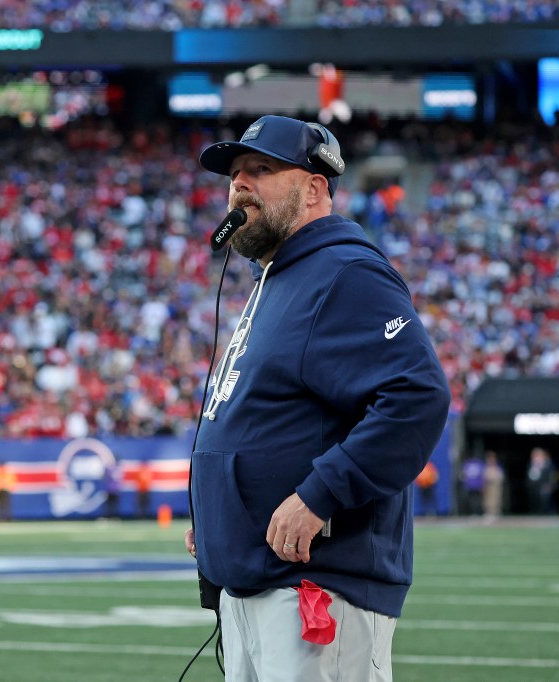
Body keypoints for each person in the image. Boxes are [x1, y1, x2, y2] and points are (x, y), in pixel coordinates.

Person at [184, 115, 450, 682]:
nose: (240, 185)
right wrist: (216, 513)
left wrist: (319, 496)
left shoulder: (343, 271)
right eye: (235, 174)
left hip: (314, 586)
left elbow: (417, 396)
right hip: (256, 584)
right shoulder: (278, 280)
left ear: (314, 188)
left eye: (262, 169)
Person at [481, 451, 505, 521]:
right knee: (487, 500)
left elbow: (501, 476)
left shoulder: (498, 466)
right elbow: (483, 476)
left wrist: (494, 478)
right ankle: (488, 513)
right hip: (488, 485)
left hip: (495, 486)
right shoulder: (485, 466)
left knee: (495, 499)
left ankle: (495, 513)